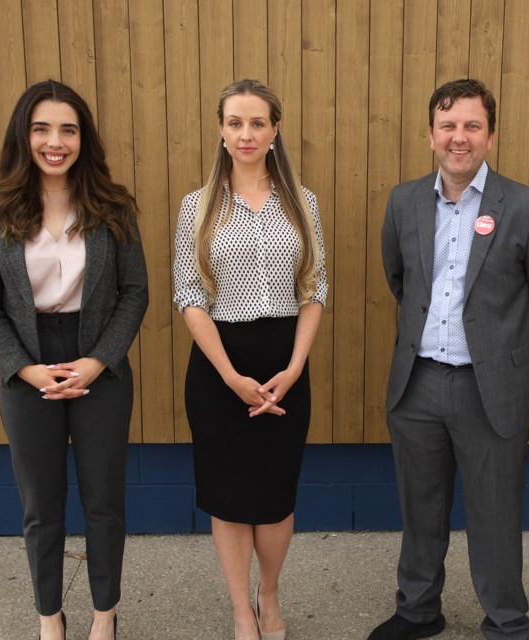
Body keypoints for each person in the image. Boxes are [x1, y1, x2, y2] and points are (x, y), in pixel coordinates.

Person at [369, 78, 529, 640]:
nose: (459, 138)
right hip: (417, 384)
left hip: (491, 391)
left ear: (490, 134)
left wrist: (502, 352)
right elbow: (400, 279)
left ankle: (507, 622)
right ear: (431, 134)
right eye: (448, 126)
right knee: (420, 510)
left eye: (471, 126)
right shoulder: (405, 201)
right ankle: (417, 610)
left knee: (496, 516)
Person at [0, 79, 148, 640]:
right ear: (24, 135)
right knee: (41, 508)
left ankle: (104, 616)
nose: (55, 141)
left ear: (82, 138)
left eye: (67, 129)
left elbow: (135, 291)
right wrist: (24, 367)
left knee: (103, 502)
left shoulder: (112, 205)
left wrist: (97, 361)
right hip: (25, 367)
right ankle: (50, 617)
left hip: (100, 365)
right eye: (42, 128)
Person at [173, 79, 326, 640]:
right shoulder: (198, 206)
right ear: (220, 130)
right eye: (235, 123)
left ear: (274, 130)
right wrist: (232, 377)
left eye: (257, 123)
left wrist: (295, 366)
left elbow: (315, 289)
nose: (246, 133)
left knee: (276, 494)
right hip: (221, 367)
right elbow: (188, 294)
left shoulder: (301, 202)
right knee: (230, 498)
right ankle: (242, 609)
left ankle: (270, 594)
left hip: (286, 363)